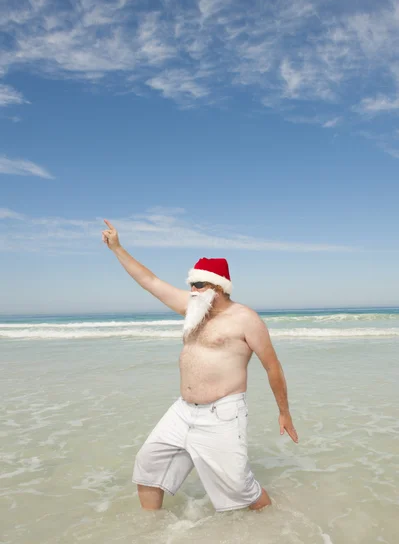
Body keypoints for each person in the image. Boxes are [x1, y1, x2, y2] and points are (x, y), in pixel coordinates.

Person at [102, 219, 299, 513]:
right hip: (182, 410)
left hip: (222, 415)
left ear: (218, 287)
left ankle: (276, 528)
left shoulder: (246, 319)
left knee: (239, 488)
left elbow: (272, 367)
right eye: (191, 284)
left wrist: (284, 412)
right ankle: (150, 531)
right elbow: (150, 281)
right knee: (148, 465)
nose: (192, 289)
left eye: (199, 284)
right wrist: (117, 248)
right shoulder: (192, 307)